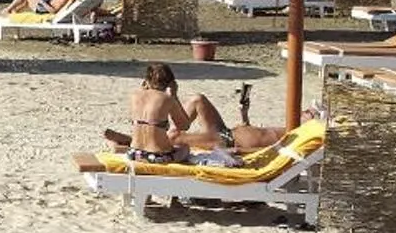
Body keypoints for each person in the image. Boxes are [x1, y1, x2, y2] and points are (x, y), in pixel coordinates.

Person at [106, 64, 285, 164]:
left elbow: (260, 150)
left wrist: (243, 123)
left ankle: (126, 142)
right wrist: (173, 96)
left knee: (176, 134)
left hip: (135, 153)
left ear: (146, 81)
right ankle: (128, 141)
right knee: (194, 108)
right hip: (224, 134)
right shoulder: (167, 98)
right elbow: (183, 125)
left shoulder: (135, 95)